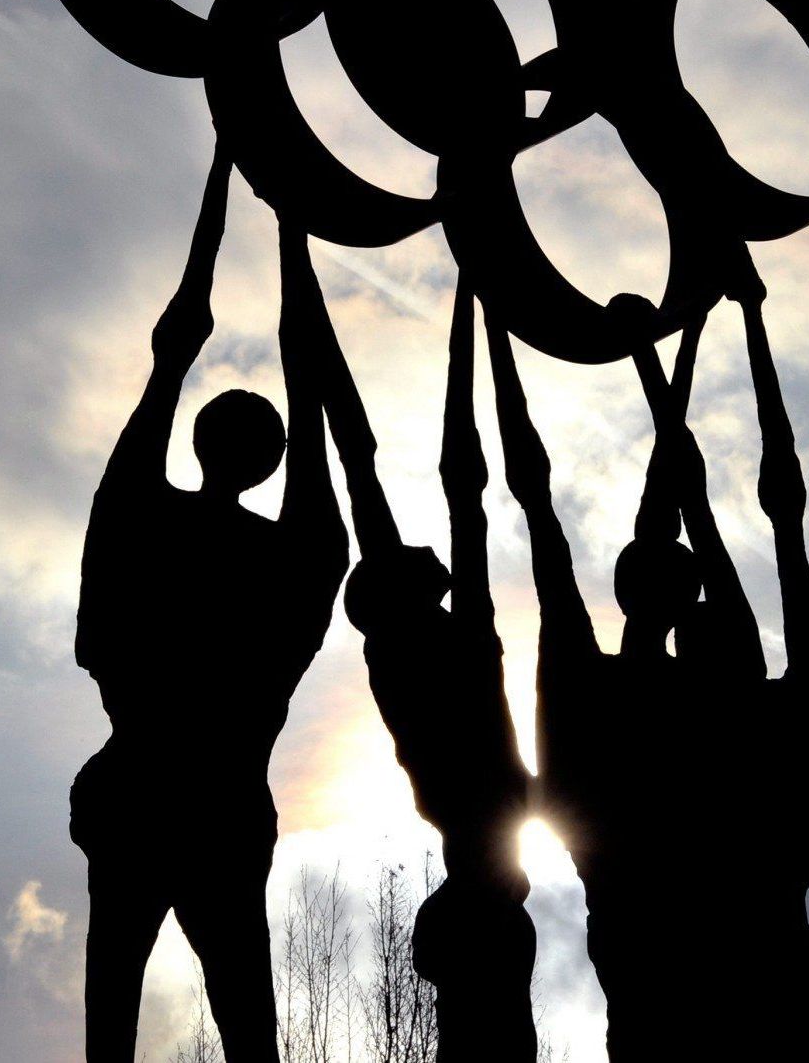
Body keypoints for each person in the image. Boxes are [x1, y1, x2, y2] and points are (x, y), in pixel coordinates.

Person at [489, 272, 809, 1062]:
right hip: (726, 986)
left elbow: (556, 525)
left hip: (672, 987)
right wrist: (679, 359)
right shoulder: (775, 723)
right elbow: (767, 529)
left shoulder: (704, 723)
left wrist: (667, 364)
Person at [69, 136, 351, 1063]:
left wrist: (231, 176)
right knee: (243, 1022)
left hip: (159, 791)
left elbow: (173, 349)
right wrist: (288, 225)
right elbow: (303, 385)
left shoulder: (147, 520)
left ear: (203, 444)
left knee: (122, 1004)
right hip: (214, 801)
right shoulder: (288, 557)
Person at [326, 278, 538, 1061]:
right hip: (480, 840)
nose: (429, 552)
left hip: (484, 847)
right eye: (411, 561)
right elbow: (442, 487)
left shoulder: (437, 642)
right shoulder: (413, 646)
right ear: (394, 591)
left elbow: (463, 499)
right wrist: (466, 307)